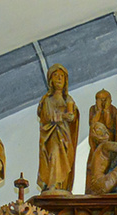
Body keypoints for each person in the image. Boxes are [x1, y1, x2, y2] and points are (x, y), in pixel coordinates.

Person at [36, 65, 79, 194]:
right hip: (49, 134)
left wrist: (61, 116)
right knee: (51, 154)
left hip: (64, 135)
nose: (59, 79)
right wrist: (60, 115)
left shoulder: (68, 99)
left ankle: (58, 184)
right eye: (56, 76)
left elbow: (71, 116)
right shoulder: (46, 100)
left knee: (59, 155)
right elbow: (44, 117)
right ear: (50, 80)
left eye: (62, 76)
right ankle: (51, 183)